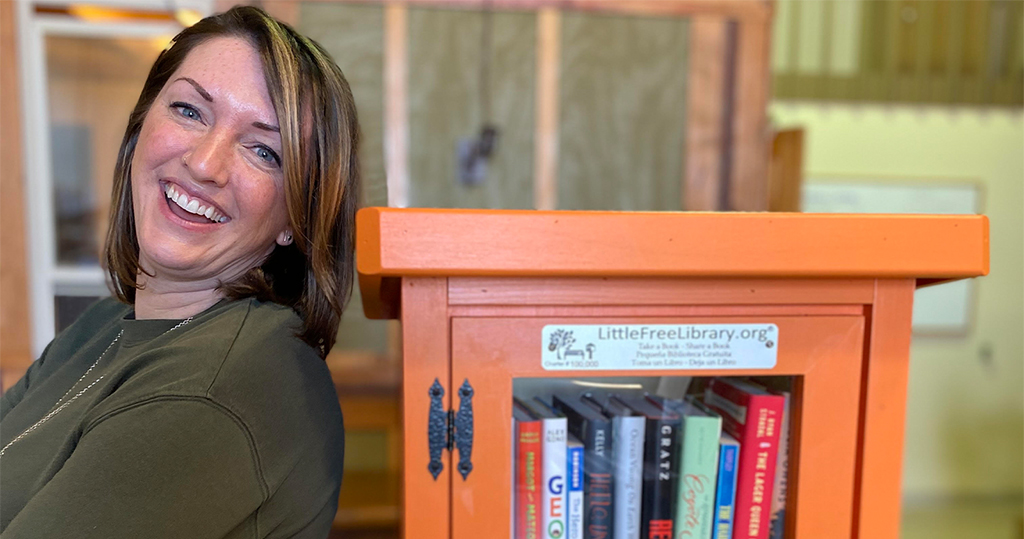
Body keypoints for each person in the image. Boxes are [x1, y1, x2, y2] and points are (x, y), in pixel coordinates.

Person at [0, 6, 358, 538]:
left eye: (263, 150)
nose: (206, 165)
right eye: (190, 111)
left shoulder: (221, 384)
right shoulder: (104, 326)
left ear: (295, 218)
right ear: (141, 126)